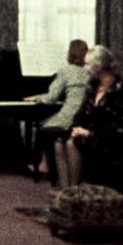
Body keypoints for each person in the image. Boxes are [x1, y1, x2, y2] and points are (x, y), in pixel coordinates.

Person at [55, 45, 123, 190]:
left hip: (111, 139)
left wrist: (89, 133)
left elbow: (119, 128)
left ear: (99, 67)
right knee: (59, 143)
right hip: (89, 134)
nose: (84, 68)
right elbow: (81, 113)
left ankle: (75, 192)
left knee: (72, 144)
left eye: (88, 64)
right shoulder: (92, 87)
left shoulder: (121, 92)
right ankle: (65, 192)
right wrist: (75, 128)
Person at [24, 39, 90, 180]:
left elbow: (51, 98)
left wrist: (37, 98)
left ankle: (44, 163)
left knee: (41, 127)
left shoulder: (66, 71)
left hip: (69, 116)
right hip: (85, 116)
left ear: (70, 53)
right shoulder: (89, 72)